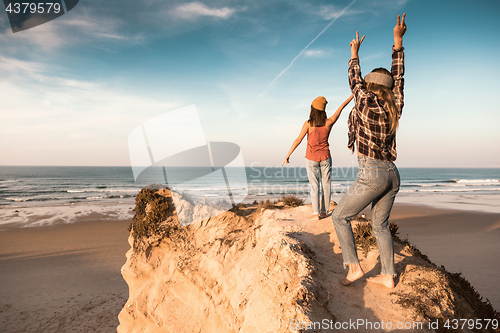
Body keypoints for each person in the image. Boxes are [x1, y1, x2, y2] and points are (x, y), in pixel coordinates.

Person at [332, 13, 407, 288]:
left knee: (340, 217)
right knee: (380, 225)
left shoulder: (364, 101)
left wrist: (354, 54)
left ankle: (354, 268)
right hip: (392, 174)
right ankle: (388, 275)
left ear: (370, 86)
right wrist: (397, 43)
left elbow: (355, 80)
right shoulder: (394, 106)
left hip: (373, 174)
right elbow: (398, 79)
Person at [282, 95, 353, 220]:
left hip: (311, 159)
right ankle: (324, 212)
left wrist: (287, 155)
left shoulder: (308, 124)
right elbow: (341, 107)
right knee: (326, 185)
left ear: (313, 109)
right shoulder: (329, 122)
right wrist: (354, 94)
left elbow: (298, 140)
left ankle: (316, 214)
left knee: (314, 186)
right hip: (325, 158)